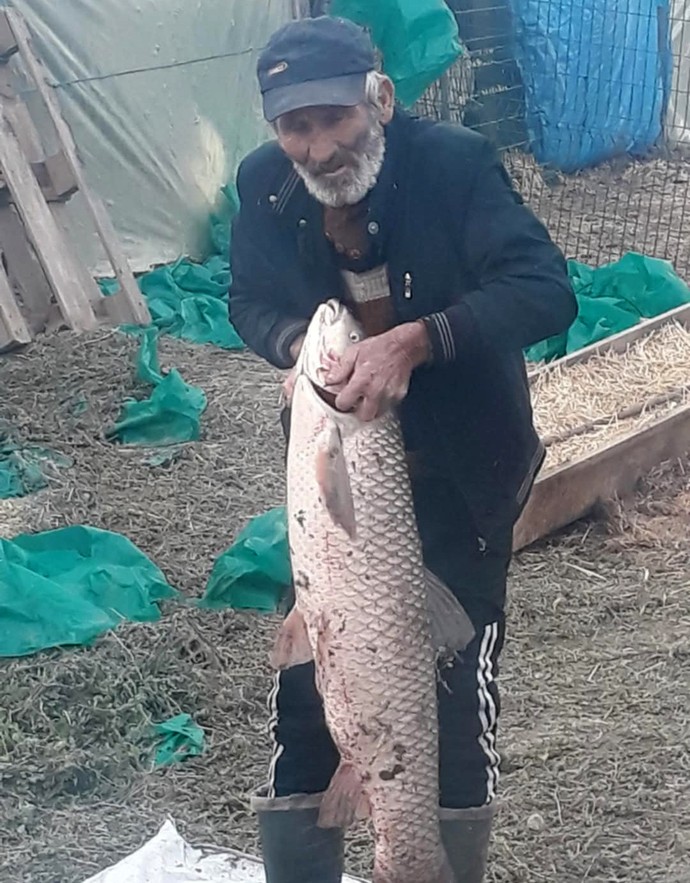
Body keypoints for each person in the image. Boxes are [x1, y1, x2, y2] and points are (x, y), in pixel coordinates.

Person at [228, 15, 577, 883]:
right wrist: (288, 352)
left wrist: (418, 341)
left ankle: (422, 864)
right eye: (295, 126)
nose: (318, 146)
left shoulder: (452, 165)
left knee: (450, 707)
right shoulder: (267, 185)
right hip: (339, 490)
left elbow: (545, 289)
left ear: (377, 98)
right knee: (311, 697)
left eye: (334, 118)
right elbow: (251, 298)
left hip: (461, 474)